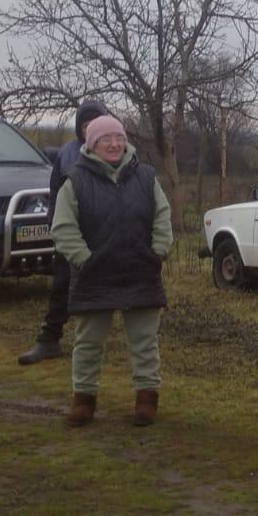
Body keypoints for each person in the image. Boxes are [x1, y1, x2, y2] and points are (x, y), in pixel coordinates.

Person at [48, 114, 173, 428]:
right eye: (106, 139)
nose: (115, 144)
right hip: (95, 274)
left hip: (140, 270)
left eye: (119, 138)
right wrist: (83, 259)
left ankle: (146, 399)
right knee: (88, 342)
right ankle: (84, 400)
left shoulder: (145, 176)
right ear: (92, 145)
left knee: (145, 342)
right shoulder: (74, 181)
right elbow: (62, 227)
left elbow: (162, 216)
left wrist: (158, 252)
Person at [18, 98, 111, 365]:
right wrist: (55, 227)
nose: (89, 128)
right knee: (62, 287)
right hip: (72, 234)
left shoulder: (116, 150)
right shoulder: (66, 155)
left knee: (118, 289)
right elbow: (56, 193)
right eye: (85, 124)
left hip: (109, 234)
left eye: (95, 123)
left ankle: (113, 344)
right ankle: (49, 340)